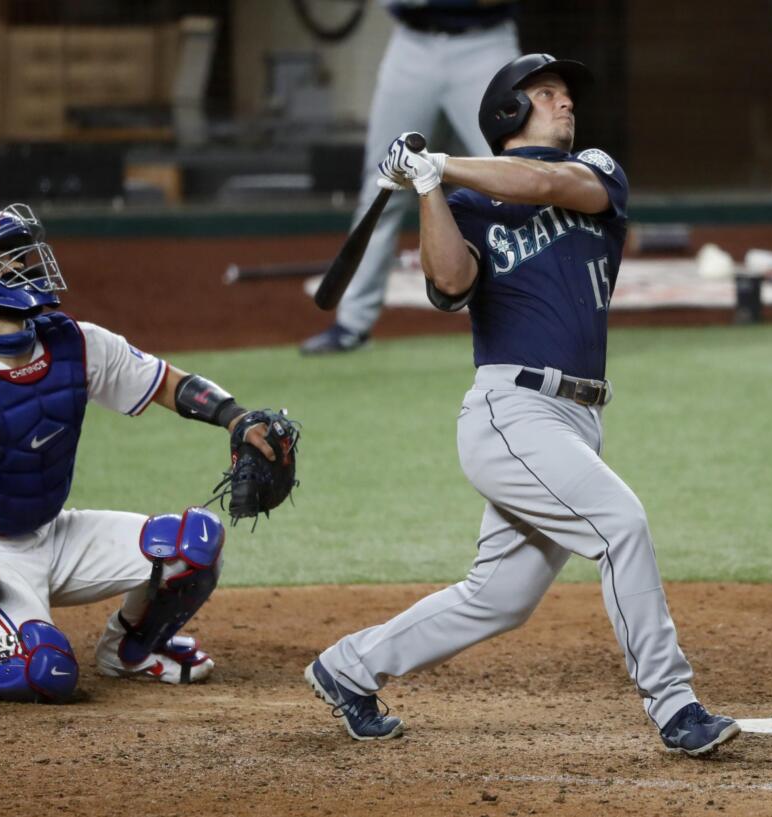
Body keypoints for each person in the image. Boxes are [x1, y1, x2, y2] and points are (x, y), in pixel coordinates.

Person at [303, 54, 741, 757]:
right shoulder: (464, 201)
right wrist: (428, 191)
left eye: (567, 93)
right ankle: (675, 705)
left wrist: (440, 163)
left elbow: (541, 180)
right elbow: (447, 287)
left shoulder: (594, 169)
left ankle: (347, 668)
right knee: (620, 522)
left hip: (578, 419)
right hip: (511, 412)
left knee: (499, 596)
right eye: (546, 94)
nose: (565, 104)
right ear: (509, 112)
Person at [0, 203, 282, 702]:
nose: (26, 264)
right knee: (40, 672)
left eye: (23, 254)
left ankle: (130, 653)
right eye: (4, 259)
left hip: (54, 534)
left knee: (194, 546)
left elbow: (165, 383)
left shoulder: (75, 343)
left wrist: (236, 416)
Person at [299, 0, 520, 355]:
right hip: (412, 44)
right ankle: (353, 324)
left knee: (516, 173)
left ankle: (538, 316)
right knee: (383, 182)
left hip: (485, 44)